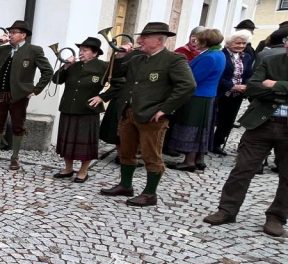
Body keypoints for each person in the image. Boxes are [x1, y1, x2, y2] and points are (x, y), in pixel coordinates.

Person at [100, 21, 195, 206]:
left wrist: (165, 109)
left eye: (145, 37)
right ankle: (125, 185)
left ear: (159, 40)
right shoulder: (137, 58)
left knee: (151, 155)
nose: (140, 40)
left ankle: (150, 194)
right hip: (129, 113)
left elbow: (188, 85)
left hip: (152, 117)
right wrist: (119, 55)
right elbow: (116, 74)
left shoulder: (174, 60)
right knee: (126, 152)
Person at [203, 33, 288, 237]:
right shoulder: (270, 60)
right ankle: (227, 210)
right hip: (261, 124)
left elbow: (265, 87)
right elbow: (253, 88)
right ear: (286, 45)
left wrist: (275, 85)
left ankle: (276, 217)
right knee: (242, 169)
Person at [0, 19, 52, 170]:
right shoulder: (3, 49)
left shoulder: (34, 50)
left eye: (13, 32)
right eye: (10, 32)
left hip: (19, 95)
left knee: (18, 126)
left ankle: (15, 157)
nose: (10, 35)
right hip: (0, 93)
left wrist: (35, 90)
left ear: (23, 35)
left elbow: (48, 71)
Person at [166, 27, 224, 171]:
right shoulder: (218, 54)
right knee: (200, 129)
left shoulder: (209, 57)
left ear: (205, 42)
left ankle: (189, 161)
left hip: (198, 97)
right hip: (206, 96)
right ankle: (197, 159)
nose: (195, 41)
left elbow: (193, 79)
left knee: (192, 128)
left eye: (198, 39)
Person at [53, 37, 107, 182]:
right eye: (80, 50)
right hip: (69, 108)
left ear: (94, 53)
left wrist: (102, 97)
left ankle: (83, 171)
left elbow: (118, 84)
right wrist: (65, 66)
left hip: (88, 110)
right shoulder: (73, 65)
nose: (81, 52)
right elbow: (55, 80)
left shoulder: (103, 66)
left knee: (85, 144)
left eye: (85, 50)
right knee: (67, 141)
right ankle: (68, 168)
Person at [210, 29, 255, 156]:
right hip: (221, 91)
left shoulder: (247, 57)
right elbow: (218, 75)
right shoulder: (221, 55)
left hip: (237, 94)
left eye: (243, 43)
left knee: (228, 120)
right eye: (238, 43)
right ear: (229, 44)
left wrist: (246, 85)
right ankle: (206, 141)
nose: (241, 46)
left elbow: (248, 74)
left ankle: (217, 143)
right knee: (214, 118)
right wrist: (232, 86)